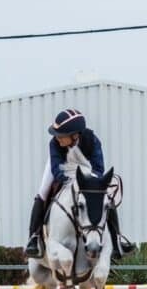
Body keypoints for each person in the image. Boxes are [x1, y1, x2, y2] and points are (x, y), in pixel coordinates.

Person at [25, 108, 136, 260]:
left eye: (61, 135)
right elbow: (57, 169)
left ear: (75, 135)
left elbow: (98, 168)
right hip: (62, 170)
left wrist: (88, 182)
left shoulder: (92, 140)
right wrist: (70, 181)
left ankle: (117, 239)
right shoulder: (54, 144)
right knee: (43, 192)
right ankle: (34, 237)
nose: (58, 138)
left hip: (86, 172)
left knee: (107, 197)